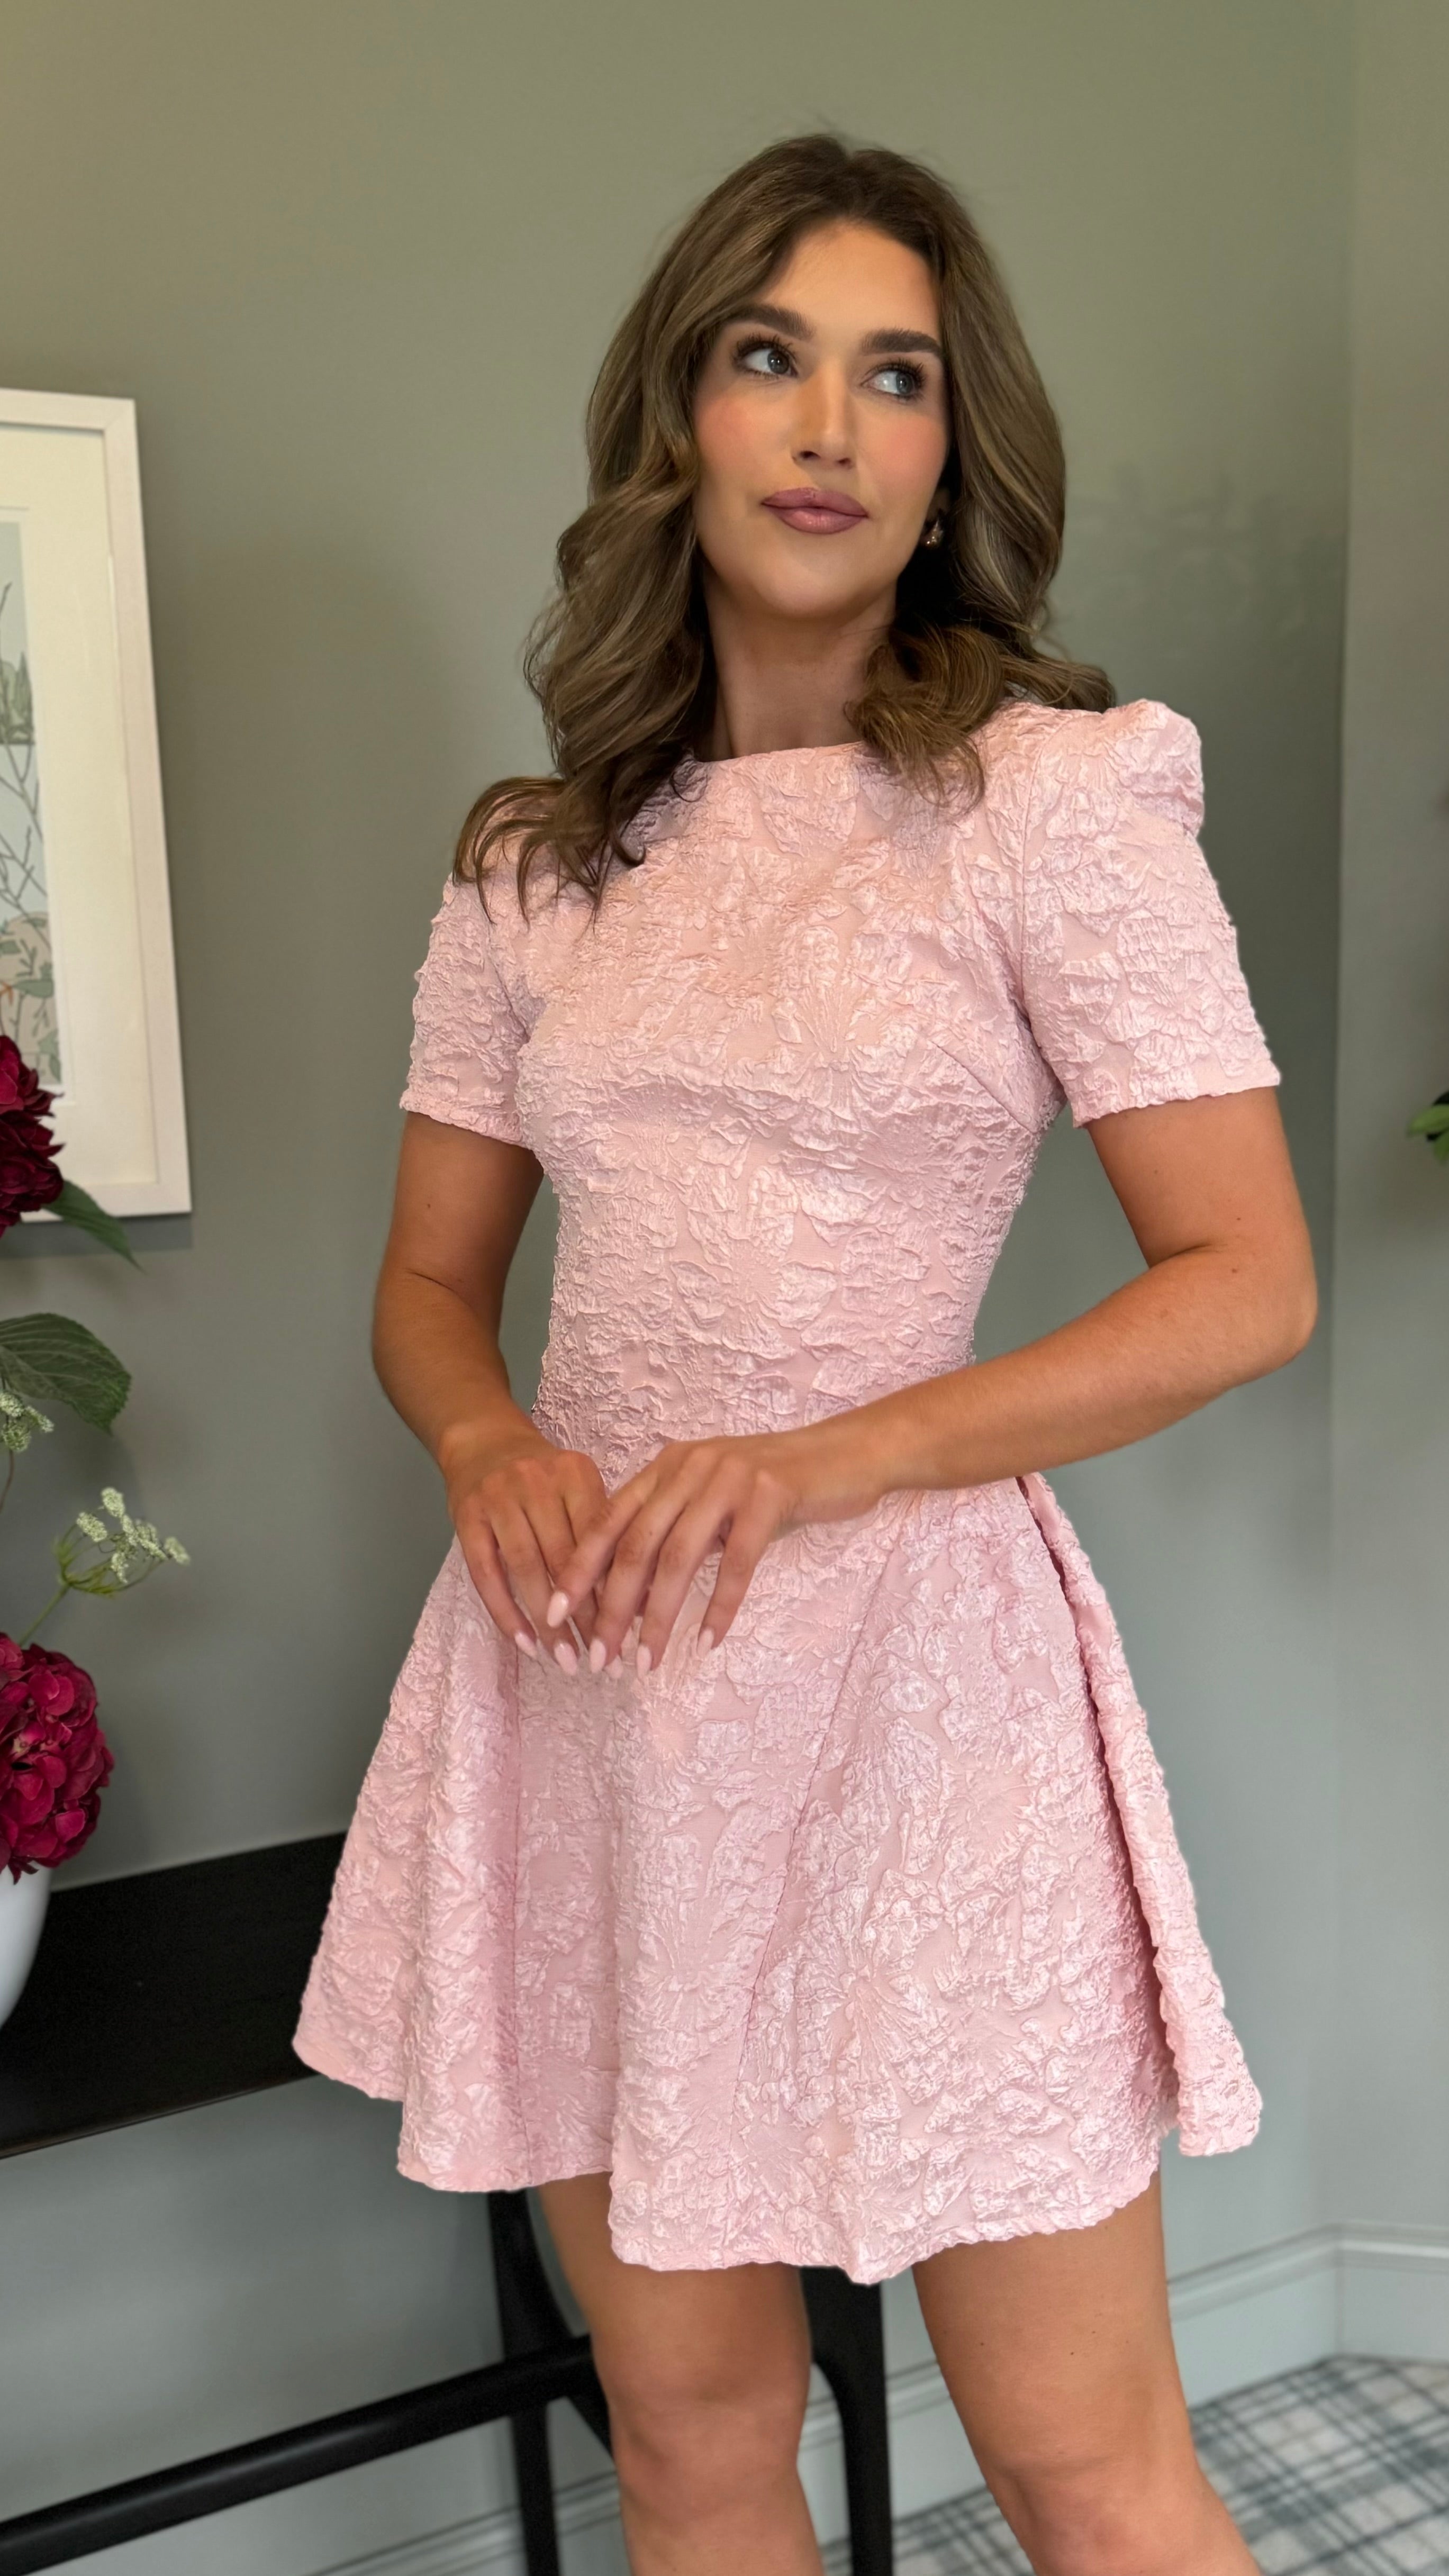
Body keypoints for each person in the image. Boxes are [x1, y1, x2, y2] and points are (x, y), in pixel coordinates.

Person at [295, 133, 1316, 2576]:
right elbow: (429, 1286)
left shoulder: (1048, 804)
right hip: (592, 1678)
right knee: (689, 2436)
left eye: (897, 375)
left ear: (954, 450)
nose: (831, 424)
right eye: (771, 357)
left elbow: (1243, 1277)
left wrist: (832, 1455)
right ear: (681, 410)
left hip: (913, 1698)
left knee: (1081, 2462)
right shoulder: (535, 862)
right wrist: (484, 1439)